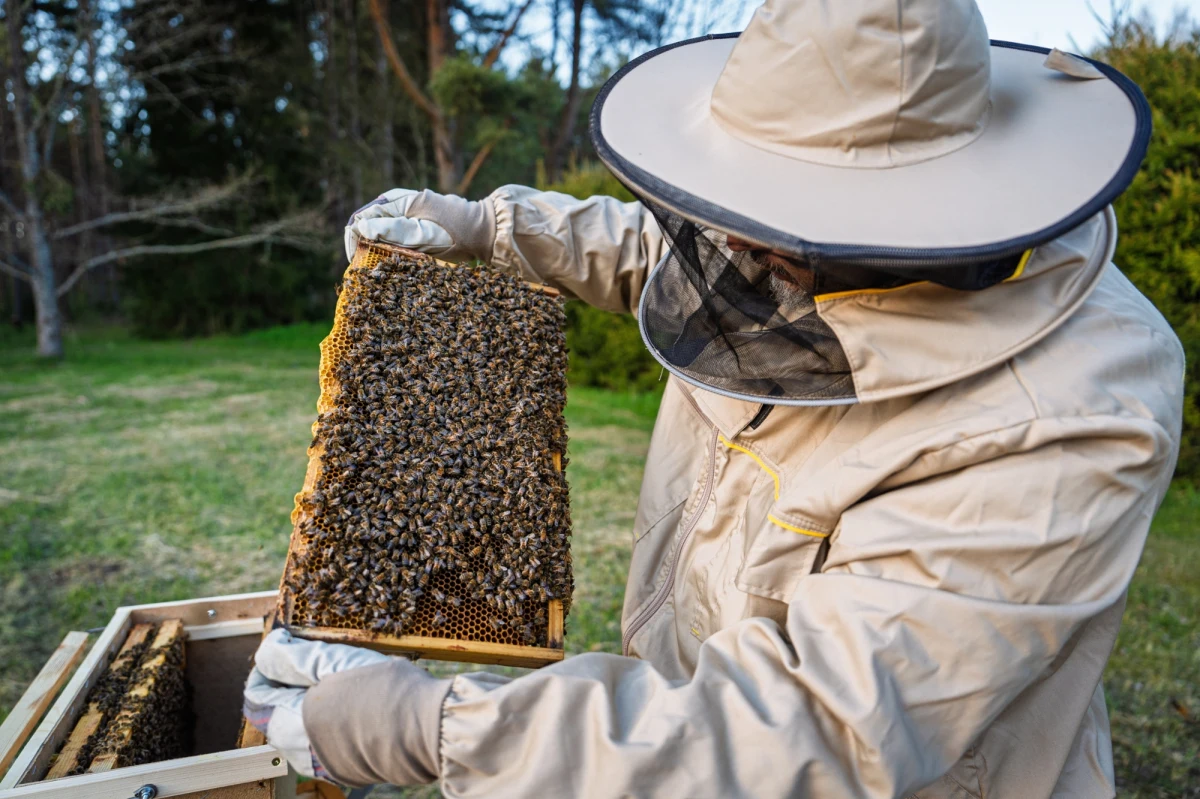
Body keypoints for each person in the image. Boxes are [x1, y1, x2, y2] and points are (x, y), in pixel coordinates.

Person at [243, 0, 1184, 796]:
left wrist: (436, 727)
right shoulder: (784, 253)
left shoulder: (1076, 412)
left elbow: (820, 728)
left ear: (913, 220)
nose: (735, 247)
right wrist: (498, 230)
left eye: (770, 226)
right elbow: (675, 254)